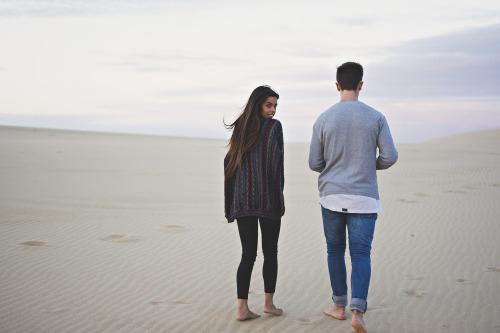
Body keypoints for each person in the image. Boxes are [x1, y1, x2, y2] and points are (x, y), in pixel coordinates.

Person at [308, 62, 398, 333]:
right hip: (364, 196)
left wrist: (335, 168)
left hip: (332, 196)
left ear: (337, 86)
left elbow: (314, 163)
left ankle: (338, 306)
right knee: (361, 253)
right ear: (361, 85)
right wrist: (369, 167)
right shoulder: (375, 117)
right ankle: (358, 312)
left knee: (335, 250)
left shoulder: (324, 118)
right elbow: (390, 156)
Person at [224, 85, 285, 321]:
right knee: (270, 252)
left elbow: (228, 164)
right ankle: (269, 304)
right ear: (257, 104)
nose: (273, 111)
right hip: (268, 200)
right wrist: (278, 198)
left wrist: (232, 203)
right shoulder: (274, 128)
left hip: (242, 200)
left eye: (275, 106)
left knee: (247, 255)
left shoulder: (240, 128)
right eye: (269, 105)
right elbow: (276, 165)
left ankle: (242, 308)